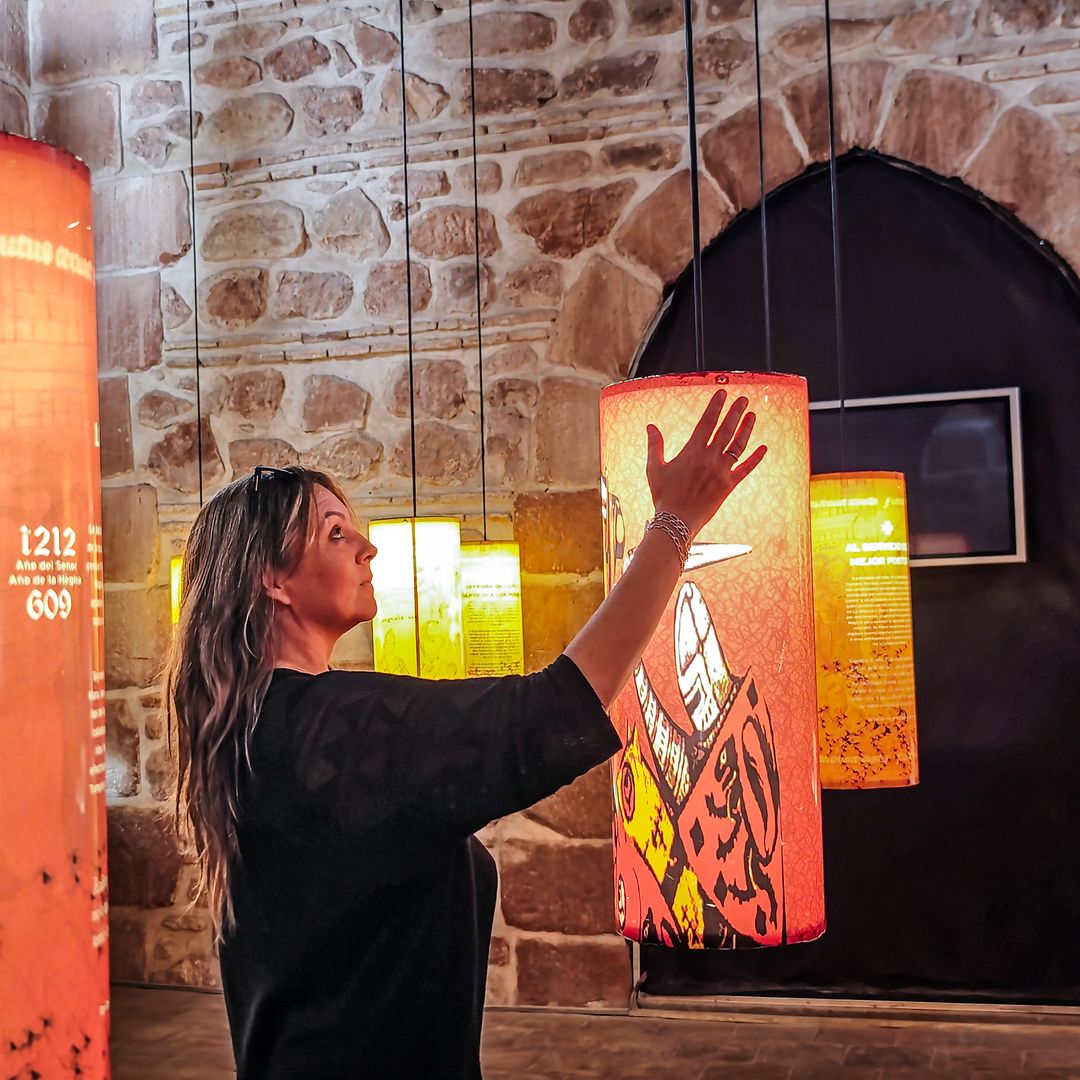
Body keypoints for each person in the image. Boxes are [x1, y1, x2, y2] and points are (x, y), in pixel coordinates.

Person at [165, 389, 765, 1079]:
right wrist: (674, 523)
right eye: (335, 533)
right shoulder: (337, 730)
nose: (368, 546)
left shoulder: (262, 729)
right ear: (272, 577)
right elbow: (554, 709)